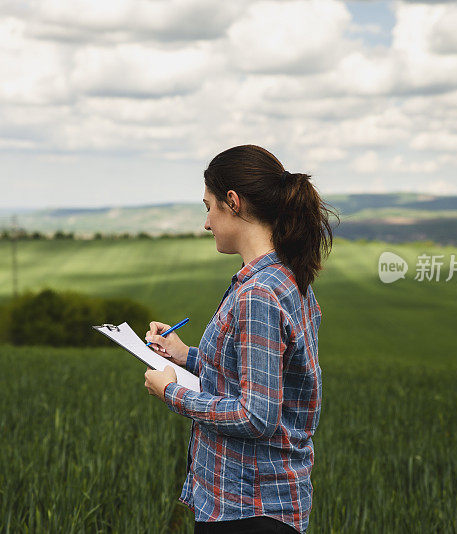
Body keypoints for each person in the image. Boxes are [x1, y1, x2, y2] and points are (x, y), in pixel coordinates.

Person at [143, 144, 336, 534]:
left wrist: (171, 393)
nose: (206, 222)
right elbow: (252, 373)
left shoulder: (258, 295)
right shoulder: (284, 276)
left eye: (208, 206)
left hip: (249, 509)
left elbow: (256, 416)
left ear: (233, 202)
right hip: (253, 504)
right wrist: (184, 355)